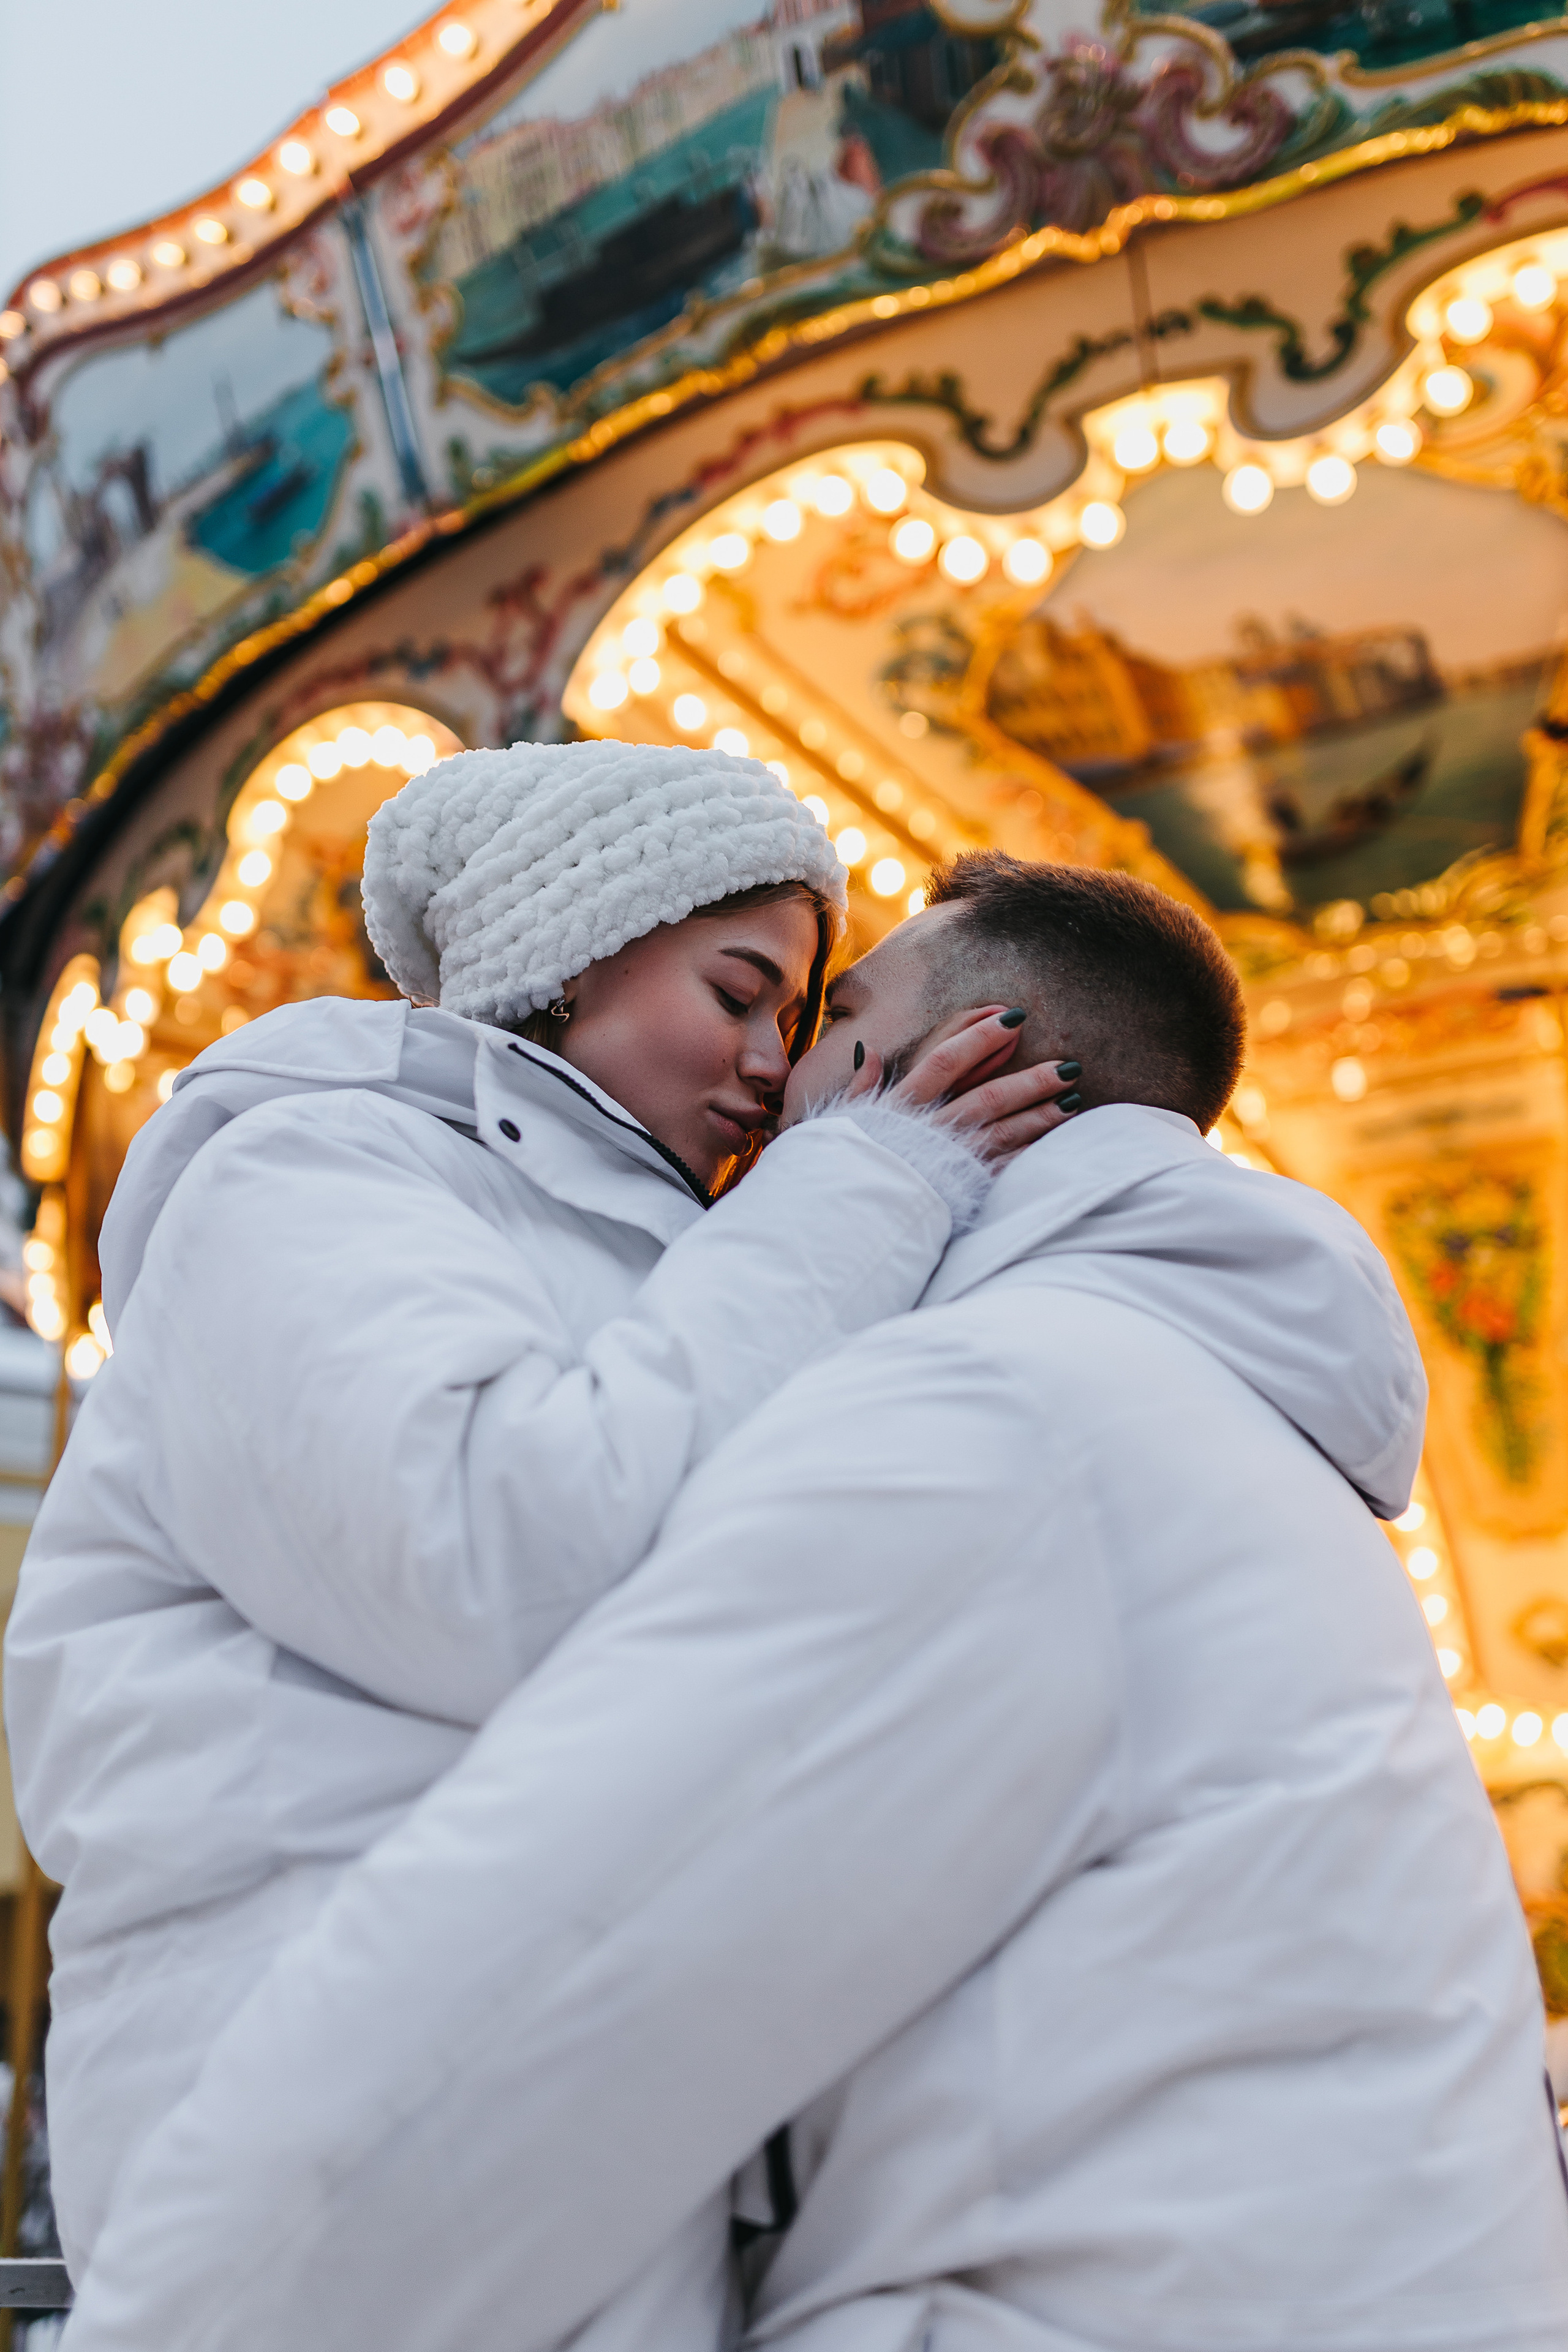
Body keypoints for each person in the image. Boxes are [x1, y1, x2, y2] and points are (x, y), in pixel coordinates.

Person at [53, 856, 1568, 2352]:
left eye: (827, 1017)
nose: (776, 1083)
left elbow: (557, 1978)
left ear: (957, 1066)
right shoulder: (1206, 1404)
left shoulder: (991, 1419)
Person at [2, 747, 1077, 2287]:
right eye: (739, 993)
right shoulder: (310, 1172)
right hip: (329, 2090)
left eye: (791, 1018)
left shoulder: (632, 1245)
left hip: (539, 2073)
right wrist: (862, 1192)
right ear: (573, 950)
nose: (776, 1066)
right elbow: (498, 1563)